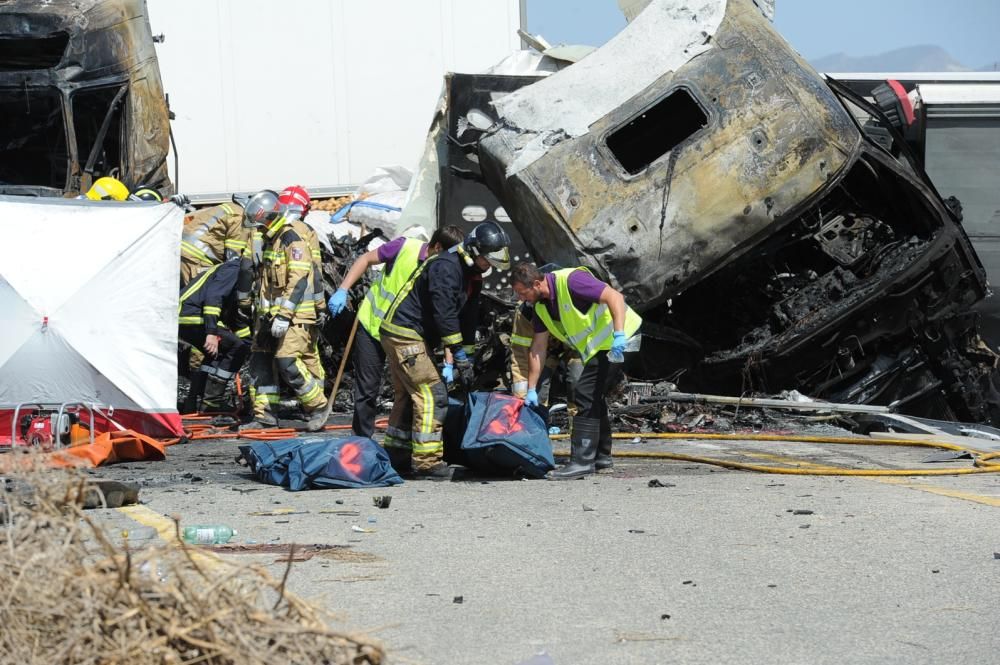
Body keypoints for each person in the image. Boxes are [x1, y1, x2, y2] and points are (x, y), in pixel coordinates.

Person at [378, 221, 510, 478]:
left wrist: (469, 354)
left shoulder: (471, 274)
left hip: (408, 334)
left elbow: (468, 316)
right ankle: (427, 463)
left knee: (408, 396)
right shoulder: (445, 266)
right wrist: (457, 353)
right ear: (473, 250)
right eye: (487, 260)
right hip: (404, 333)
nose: (489, 266)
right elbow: (445, 312)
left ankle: (397, 454)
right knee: (432, 394)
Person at [328, 225, 465, 438]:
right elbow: (365, 259)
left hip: (402, 336)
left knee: (406, 391)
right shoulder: (404, 247)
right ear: (437, 246)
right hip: (372, 326)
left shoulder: (441, 273)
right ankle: (361, 441)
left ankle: (399, 441)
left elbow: (445, 316)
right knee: (367, 389)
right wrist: (343, 290)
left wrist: (449, 360)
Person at [509, 262, 642, 479]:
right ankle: (601, 456)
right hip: (601, 346)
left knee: (584, 393)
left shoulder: (571, 281)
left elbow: (615, 297)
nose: (521, 299)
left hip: (621, 339)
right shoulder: (541, 308)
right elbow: (538, 348)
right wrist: (531, 388)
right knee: (593, 394)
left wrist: (619, 334)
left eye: (523, 293)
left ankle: (581, 462)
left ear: (536, 283)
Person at [241, 190, 328, 431]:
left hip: (293, 316)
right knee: (260, 361)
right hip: (268, 316)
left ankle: (318, 406)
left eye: (259, 224)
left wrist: (284, 316)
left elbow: (299, 280)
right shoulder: (271, 239)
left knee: (287, 361)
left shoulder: (292, 238)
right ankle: (264, 416)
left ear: (268, 218)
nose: (256, 230)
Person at [177, 258, 250, 413]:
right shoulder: (234, 269)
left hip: (190, 316)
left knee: (216, 354)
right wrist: (211, 333)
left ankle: (195, 403)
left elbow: (232, 316)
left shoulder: (234, 269)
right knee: (236, 348)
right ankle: (212, 404)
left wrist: (250, 342)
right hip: (193, 316)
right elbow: (213, 298)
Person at [179, 199, 250, 286]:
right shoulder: (240, 217)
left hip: (187, 251)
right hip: (197, 257)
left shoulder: (231, 207)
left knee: (190, 292)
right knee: (199, 294)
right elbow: (233, 255)